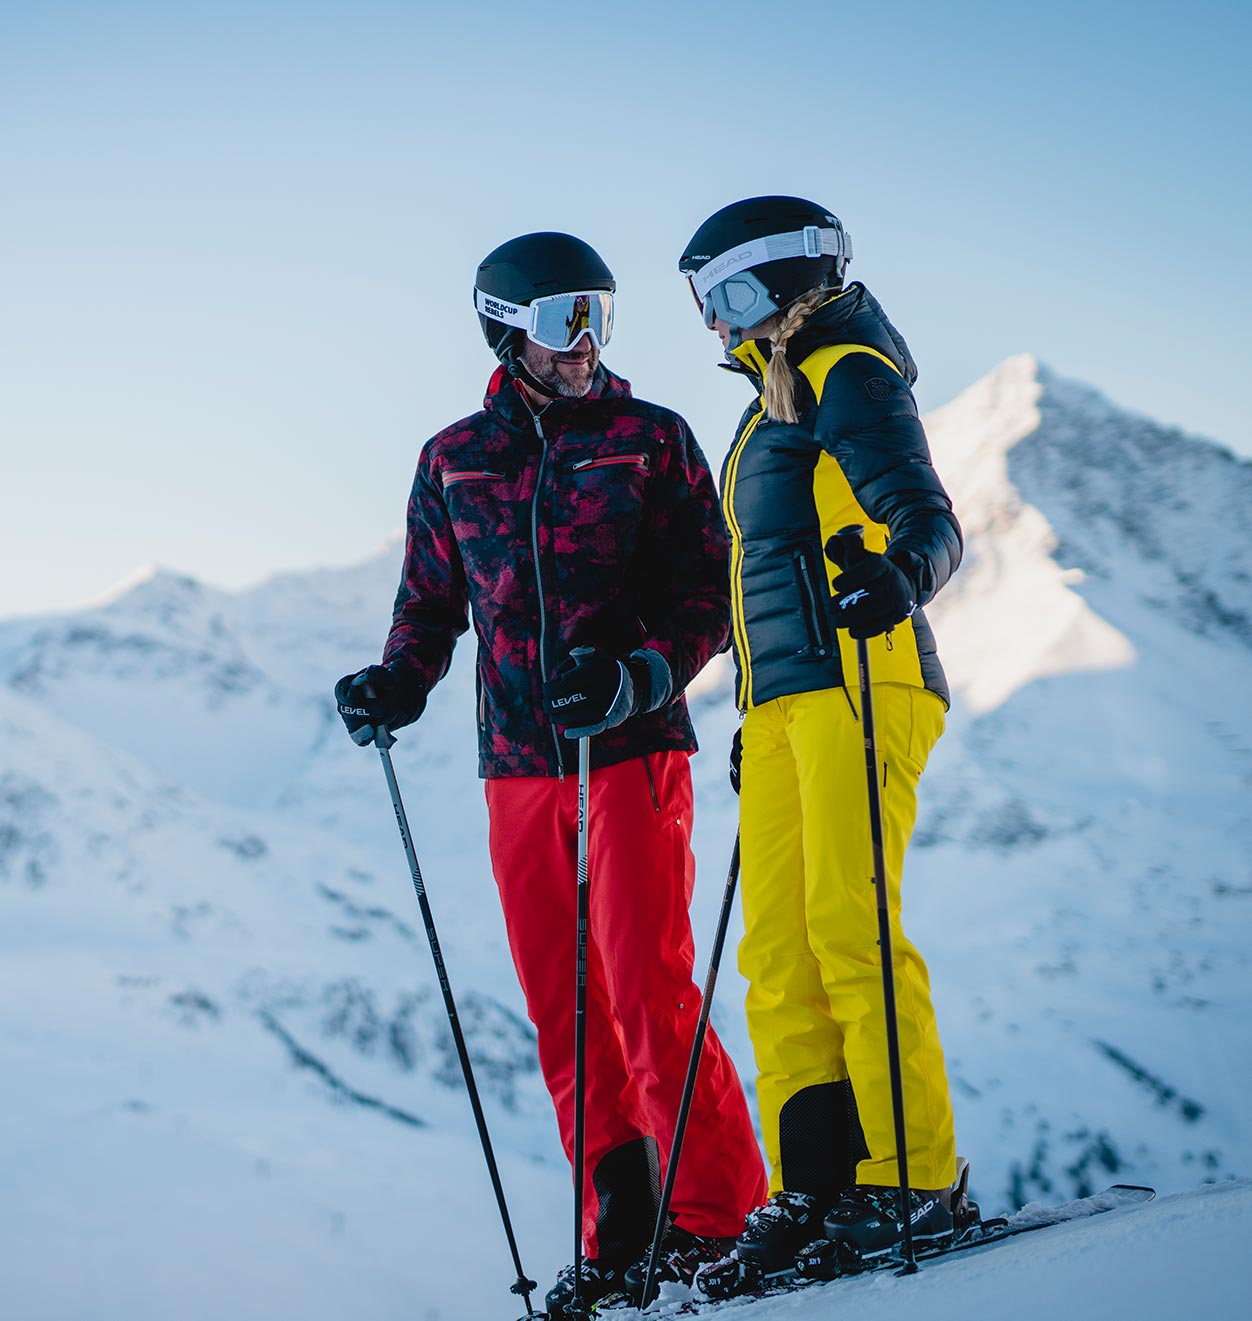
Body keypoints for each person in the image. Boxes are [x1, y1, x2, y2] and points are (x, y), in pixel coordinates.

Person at [334, 232, 766, 1316]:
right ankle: (622, 1233)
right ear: (502, 328)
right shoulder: (452, 459)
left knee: (648, 987)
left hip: (628, 747)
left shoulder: (649, 439)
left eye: (599, 320)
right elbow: (430, 606)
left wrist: (641, 673)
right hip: (518, 767)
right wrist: (398, 682)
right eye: (560, 320)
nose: (583, 343)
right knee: (564, 1008)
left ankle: (713, 1223)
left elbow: (711, 591)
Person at [675, 197, 964, 1284]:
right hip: (790, 702)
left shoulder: (850, 371)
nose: (712, 324)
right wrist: (759, 707)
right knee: (776, 954)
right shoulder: (766, 406)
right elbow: (759, 585)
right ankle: (818, 1185)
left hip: (863, 672)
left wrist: (901, 576)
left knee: (849, 927)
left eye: (725, 298)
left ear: (781, 282)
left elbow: (925, 514)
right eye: (700, 305)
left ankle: (913, 1177)